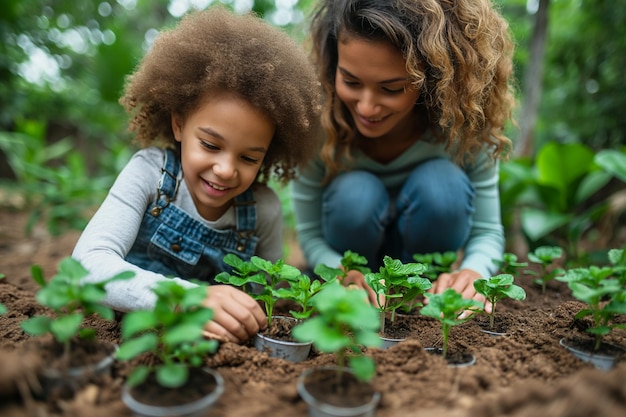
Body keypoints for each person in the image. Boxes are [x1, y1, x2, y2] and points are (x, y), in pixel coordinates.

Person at [72, 6, 321, 344]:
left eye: (249, 157)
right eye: (210, 144)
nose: (226, 169)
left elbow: (267, 295)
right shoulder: (151, 173)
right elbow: (87, 265)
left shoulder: (263, 209)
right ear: (178, 124)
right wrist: (190, 300)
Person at [291, 0, 516, 311]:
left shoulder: (462, 125)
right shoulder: (318, 121)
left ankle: (418, 296)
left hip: (427, 267)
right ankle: (369, 298)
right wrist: (344, 273)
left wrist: (474, 273)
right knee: (355, 194)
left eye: (391, 89)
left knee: (441, 186)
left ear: (434, 79)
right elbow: (311, 236)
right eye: (351, 82)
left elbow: (487, 232)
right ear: (333, 67)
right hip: (352, 260)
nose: (367, 107)